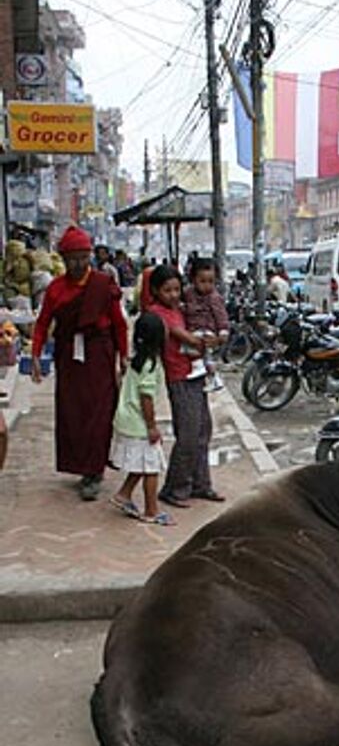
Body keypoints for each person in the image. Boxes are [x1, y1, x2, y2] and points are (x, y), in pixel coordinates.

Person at [31, 225, 128, 501]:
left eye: (82, 257)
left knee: (99, 410)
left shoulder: (102, 284)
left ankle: (94, 471)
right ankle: (80, 465)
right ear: (62, 259)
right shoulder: (56, 288)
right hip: (69, 357)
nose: (77, 264)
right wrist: (37, 355)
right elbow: (42, 324)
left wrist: (124, 355)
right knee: (73, 411)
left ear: (90, 256)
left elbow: (119, 323)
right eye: (71, 258)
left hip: (99, 353)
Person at [147, 264, 224, 509]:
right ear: (156, 291)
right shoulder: (157, 312)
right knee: (189, 434)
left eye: (177, 289)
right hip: (179, 377)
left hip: (196, 373)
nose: (173, 294)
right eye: (167, 290)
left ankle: (200, 484)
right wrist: (209, 340)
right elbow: (184, 336)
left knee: (203, 431)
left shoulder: (180, 309)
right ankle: (174, 488)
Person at [109, 312, 174, 526]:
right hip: (139, 424)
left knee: (140, 462)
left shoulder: (136, 361)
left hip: (126, 420)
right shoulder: (151, 365)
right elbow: (146, 398)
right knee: (152, 467)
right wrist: (152, 426)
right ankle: (151, 510)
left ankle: (124, 494)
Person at [183, 256, 229, 393]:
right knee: (205, 357)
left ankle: (204, 371)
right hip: (193, 328)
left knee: (196, 350)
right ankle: (213, 378)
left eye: (211, 282)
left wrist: (222, 333)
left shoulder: (214, 298)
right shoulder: (188, 293)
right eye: (202, 281)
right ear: (193, 279)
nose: (207, 285)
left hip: (206, 330)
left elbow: (221, 316)